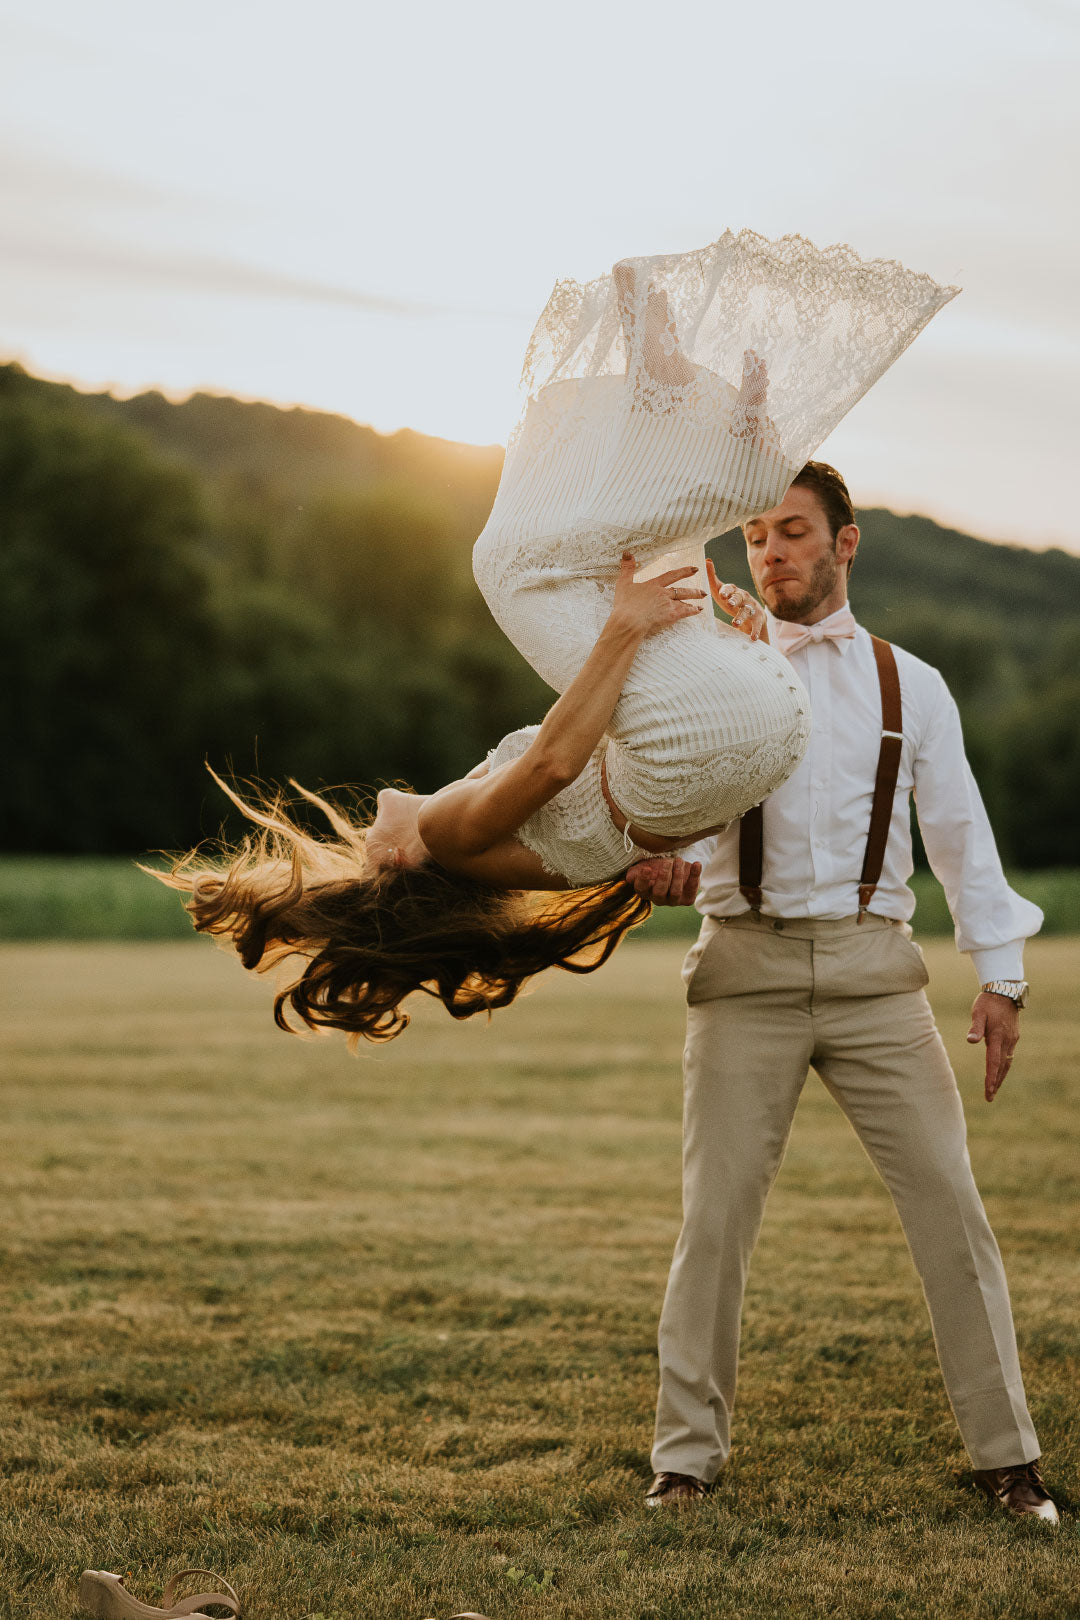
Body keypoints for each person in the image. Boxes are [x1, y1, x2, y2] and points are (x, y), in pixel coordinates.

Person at [154, 232, 955, 1047]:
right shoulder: (444, 836)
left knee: (614, 573)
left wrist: (729, 644)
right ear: (394, 866)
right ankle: (713, 450)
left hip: (756, 735)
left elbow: (609, 763)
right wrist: (625, 629)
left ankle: (694, 429)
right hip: (700, 750)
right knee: (506, 563)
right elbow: (555, 762)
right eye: (364, 850)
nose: (367, 830)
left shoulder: (484, 852)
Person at [627, 460, 1059, 1523]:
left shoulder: (914, 685)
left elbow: (960, 839)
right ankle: (683, 1465)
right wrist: (657, 854)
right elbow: (658, 808)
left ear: (845, 543)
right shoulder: (713, 677)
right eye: (759, 537)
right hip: (744, 971)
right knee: (714, 1222)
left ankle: (1009, 1462)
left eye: (794, 533)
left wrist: (1000, 977)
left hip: (878, 978)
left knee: (952, 1212)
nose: (772, 554)